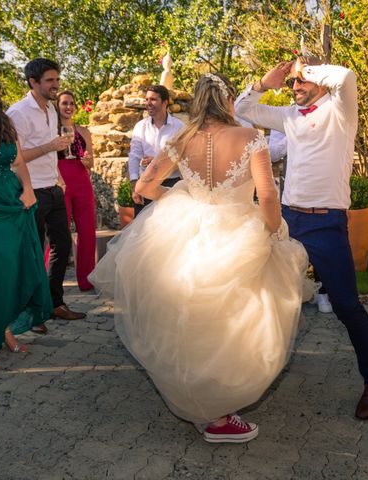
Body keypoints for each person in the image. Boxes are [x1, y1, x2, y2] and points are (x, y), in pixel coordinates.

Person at [89, 73, 309, 443]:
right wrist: (272, 231)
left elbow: (144, 186)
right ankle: (218, 410)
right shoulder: (250, 137)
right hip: (238, 232)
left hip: (187, 232)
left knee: (189, 317)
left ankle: (199, 398)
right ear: (226, 101)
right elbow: (268, 197)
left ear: (195, 101)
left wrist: (181, 200)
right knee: (236, 320)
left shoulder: (180, 139)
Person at [235, 56, 368, 420]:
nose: (297, 86)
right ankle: (243, 378)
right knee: (263, 297)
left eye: (302, 81)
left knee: (347, 305)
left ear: (319, 81)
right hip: (288, 221)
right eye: (293, 84)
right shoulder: (287, 116)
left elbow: (347, 75)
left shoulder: (341, 111)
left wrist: (303, 68)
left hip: (327, 224)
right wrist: (267, 83)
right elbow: (242, 108)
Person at [0, 67, 52, 371]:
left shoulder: (5, 125)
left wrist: (28, 189)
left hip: (11, 205)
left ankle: (2, 328)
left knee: (12, 271)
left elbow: (17, 162)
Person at [7, 58, 86, 328]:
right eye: (50, 80)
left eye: (57, 80)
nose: (56, 85)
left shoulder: (52, 111)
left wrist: (59, 177)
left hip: (53, 188)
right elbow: (13, 158)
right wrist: (49, 146)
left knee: (61, 247)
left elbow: (52, 152)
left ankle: (54, 303)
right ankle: (31, 311)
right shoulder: (18, 113)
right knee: (33, 251)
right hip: (31, 192)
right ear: (33, 82)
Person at [54, 91, 97, 291]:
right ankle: (51, 281)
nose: (68, 106)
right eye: (64, 103)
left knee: (87, 230)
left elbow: (91, 162)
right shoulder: (50, 131)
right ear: (57, 105)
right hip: (60, 180)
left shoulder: (83, 131)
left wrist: (88, 161)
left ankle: (87, 279)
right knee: (59, 231)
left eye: (71, 103)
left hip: (81, 179)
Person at [128, 84, 184, 216]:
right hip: (146, 184)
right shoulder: (140, 127)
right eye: (147, 99)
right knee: (142, 232)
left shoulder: (180, 127)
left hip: (171, 185)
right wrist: (135, 185)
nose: (148, 103)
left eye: (153, 99)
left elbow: (185, 160)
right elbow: (134, 157)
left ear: (165, 102)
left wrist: (159, 162)